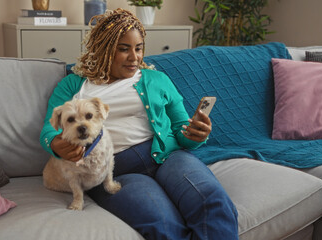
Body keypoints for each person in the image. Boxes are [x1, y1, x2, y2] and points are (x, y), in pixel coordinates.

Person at [40, 8, 239, 240]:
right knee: (163, 224)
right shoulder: (74, 85)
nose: (134, 57)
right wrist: (55, 143)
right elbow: (48, 128)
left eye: (139, 48)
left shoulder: (158, 79)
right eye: (124, 49)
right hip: (116, 169)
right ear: (103, 48)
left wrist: (197, 134)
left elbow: (181, 130)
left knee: (212, 202)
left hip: (169, 157)